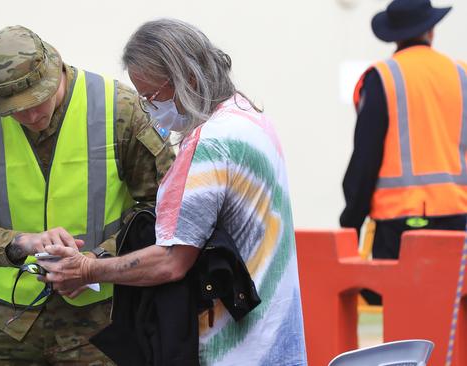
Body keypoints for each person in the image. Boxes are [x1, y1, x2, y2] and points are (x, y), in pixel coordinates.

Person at [39, 19, 307, 365]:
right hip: (274, 337)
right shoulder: (249, 118)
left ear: (188, 78)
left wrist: (88, 270)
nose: (150, 109)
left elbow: (170, 262)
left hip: (231, 349)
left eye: (152, 97)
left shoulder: (209, 145)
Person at [0, 25, 173, 365]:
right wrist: (22, 243)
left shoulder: (119, 109)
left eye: (38, 100)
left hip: (102, 318)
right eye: (15, 109)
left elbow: (163, 209)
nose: (31, 116)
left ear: (56, 69)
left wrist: (94, 264)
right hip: (7, 321)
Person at [340, 0, 467, 302]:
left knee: (404, 316)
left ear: (394, 35)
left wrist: (351, 223)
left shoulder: (383, 78)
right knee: (452, 315)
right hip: (459, 220)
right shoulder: (461, 75)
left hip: (401, 226)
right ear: (431, 31)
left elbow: (366, 159)